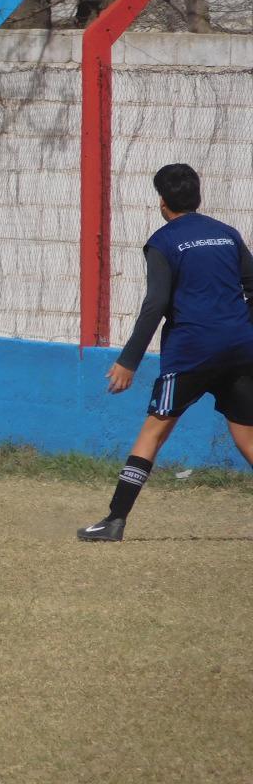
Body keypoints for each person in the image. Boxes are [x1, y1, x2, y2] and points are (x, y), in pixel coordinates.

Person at [79, 163, 253, 542]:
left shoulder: (162, 242)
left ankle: (113, 521)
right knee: (248, 438)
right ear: (198, 196)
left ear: (162, 201)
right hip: (241, 350)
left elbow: (155, 303)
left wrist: (128, 361)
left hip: (191, 354)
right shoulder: (227, 235)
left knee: (153, 433)